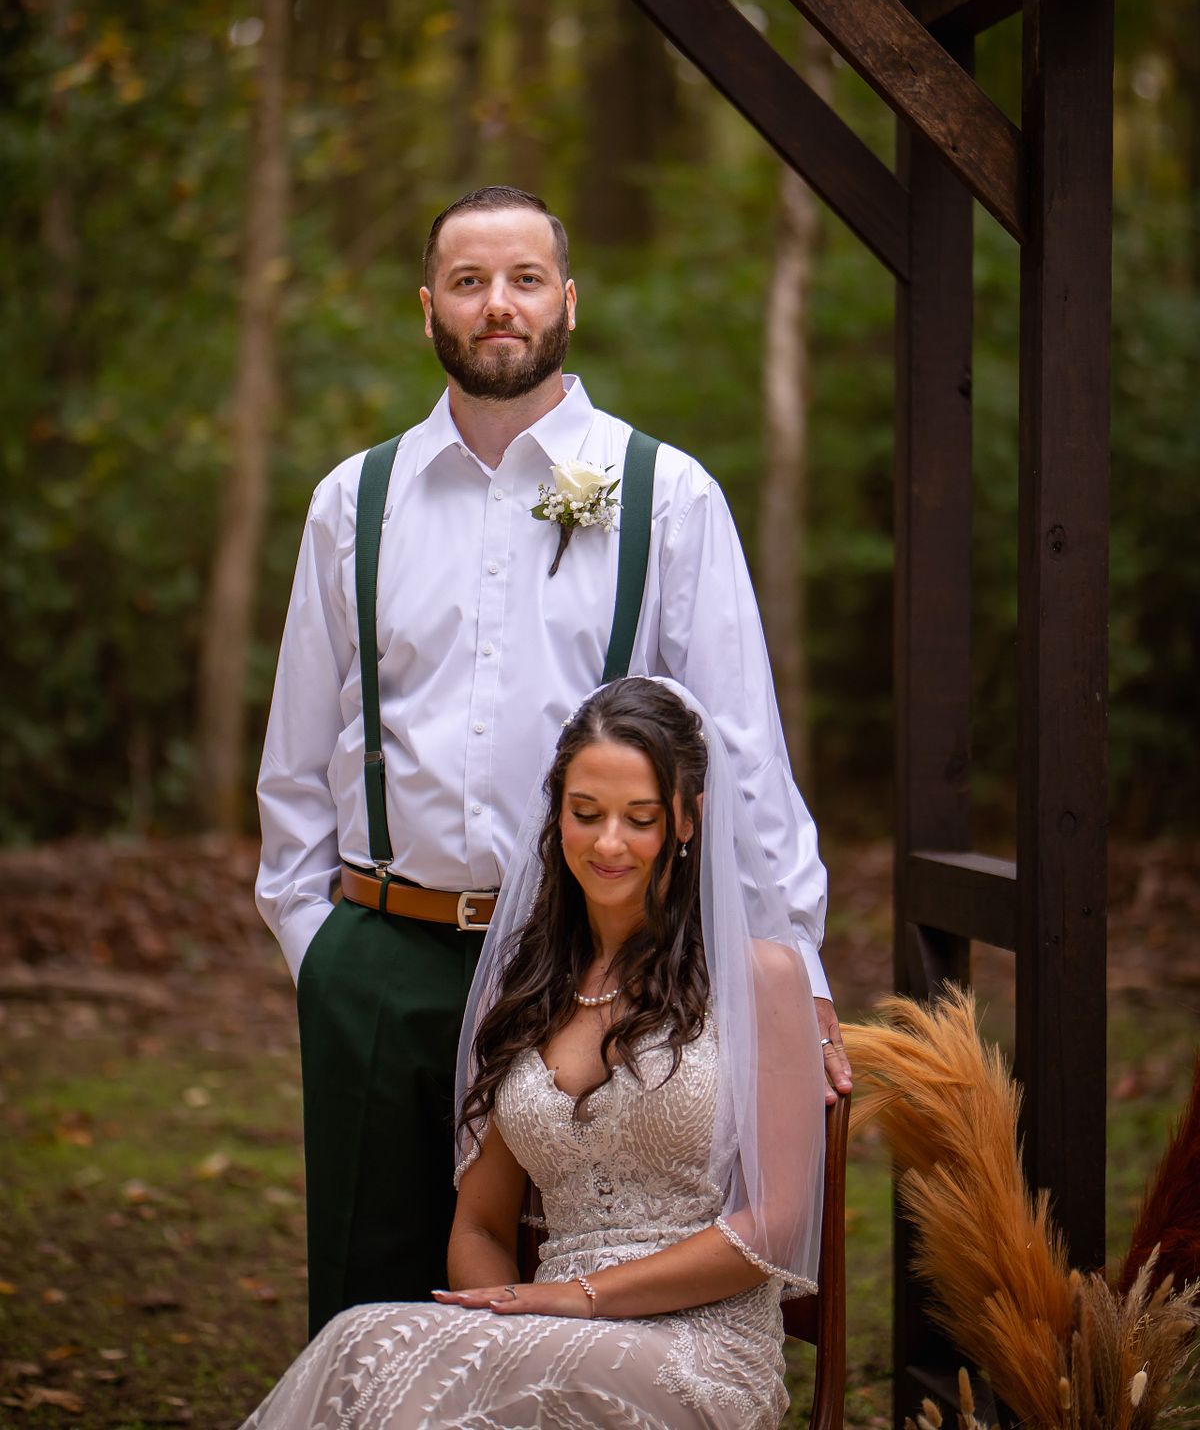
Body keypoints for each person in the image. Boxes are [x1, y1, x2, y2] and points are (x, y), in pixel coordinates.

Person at [256, 183, 850, 1336]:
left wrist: (799, 969)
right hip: (387, 957)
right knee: (368, 1295)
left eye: (524, 279)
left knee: (565, 1292)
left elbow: (741, 752)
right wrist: (318, 948)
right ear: (427, 306)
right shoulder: (353, 503)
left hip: (595, 965)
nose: (498, 306)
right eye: (470, 283)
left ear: (567, 301)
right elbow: (295, 757)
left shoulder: (668, 494)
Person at [243, 678, 826, 1430]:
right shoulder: (519, 992)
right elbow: (480, 1226)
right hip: (542, 1334)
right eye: (586, 814)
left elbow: (774, 1226)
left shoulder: (760, 979)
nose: (608, 842)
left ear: (688, 819)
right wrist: (505, 1318)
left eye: (639, 819)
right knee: (356, 1343)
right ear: (557, 817)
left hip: (696, 1347)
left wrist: (572, 1301)